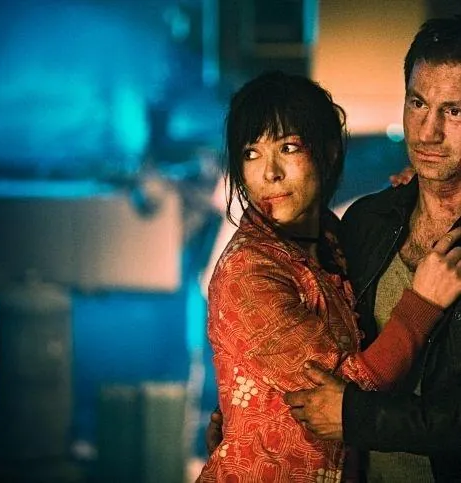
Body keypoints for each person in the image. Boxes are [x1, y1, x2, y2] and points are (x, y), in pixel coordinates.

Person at [197, 70, 461, 482]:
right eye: (251, 153)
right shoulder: (249, 270)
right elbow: (339, 400)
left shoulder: (335, 235)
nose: (269, 173)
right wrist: (421, 305)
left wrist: (416, 190)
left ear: (329, 152)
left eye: (288, 148)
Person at [282, 15, 461, 482]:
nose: (428, 131)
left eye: (454, 111)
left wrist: (355, 416)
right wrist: (254, 420)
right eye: (418, 103)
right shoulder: (366, 222)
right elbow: (325, 352)